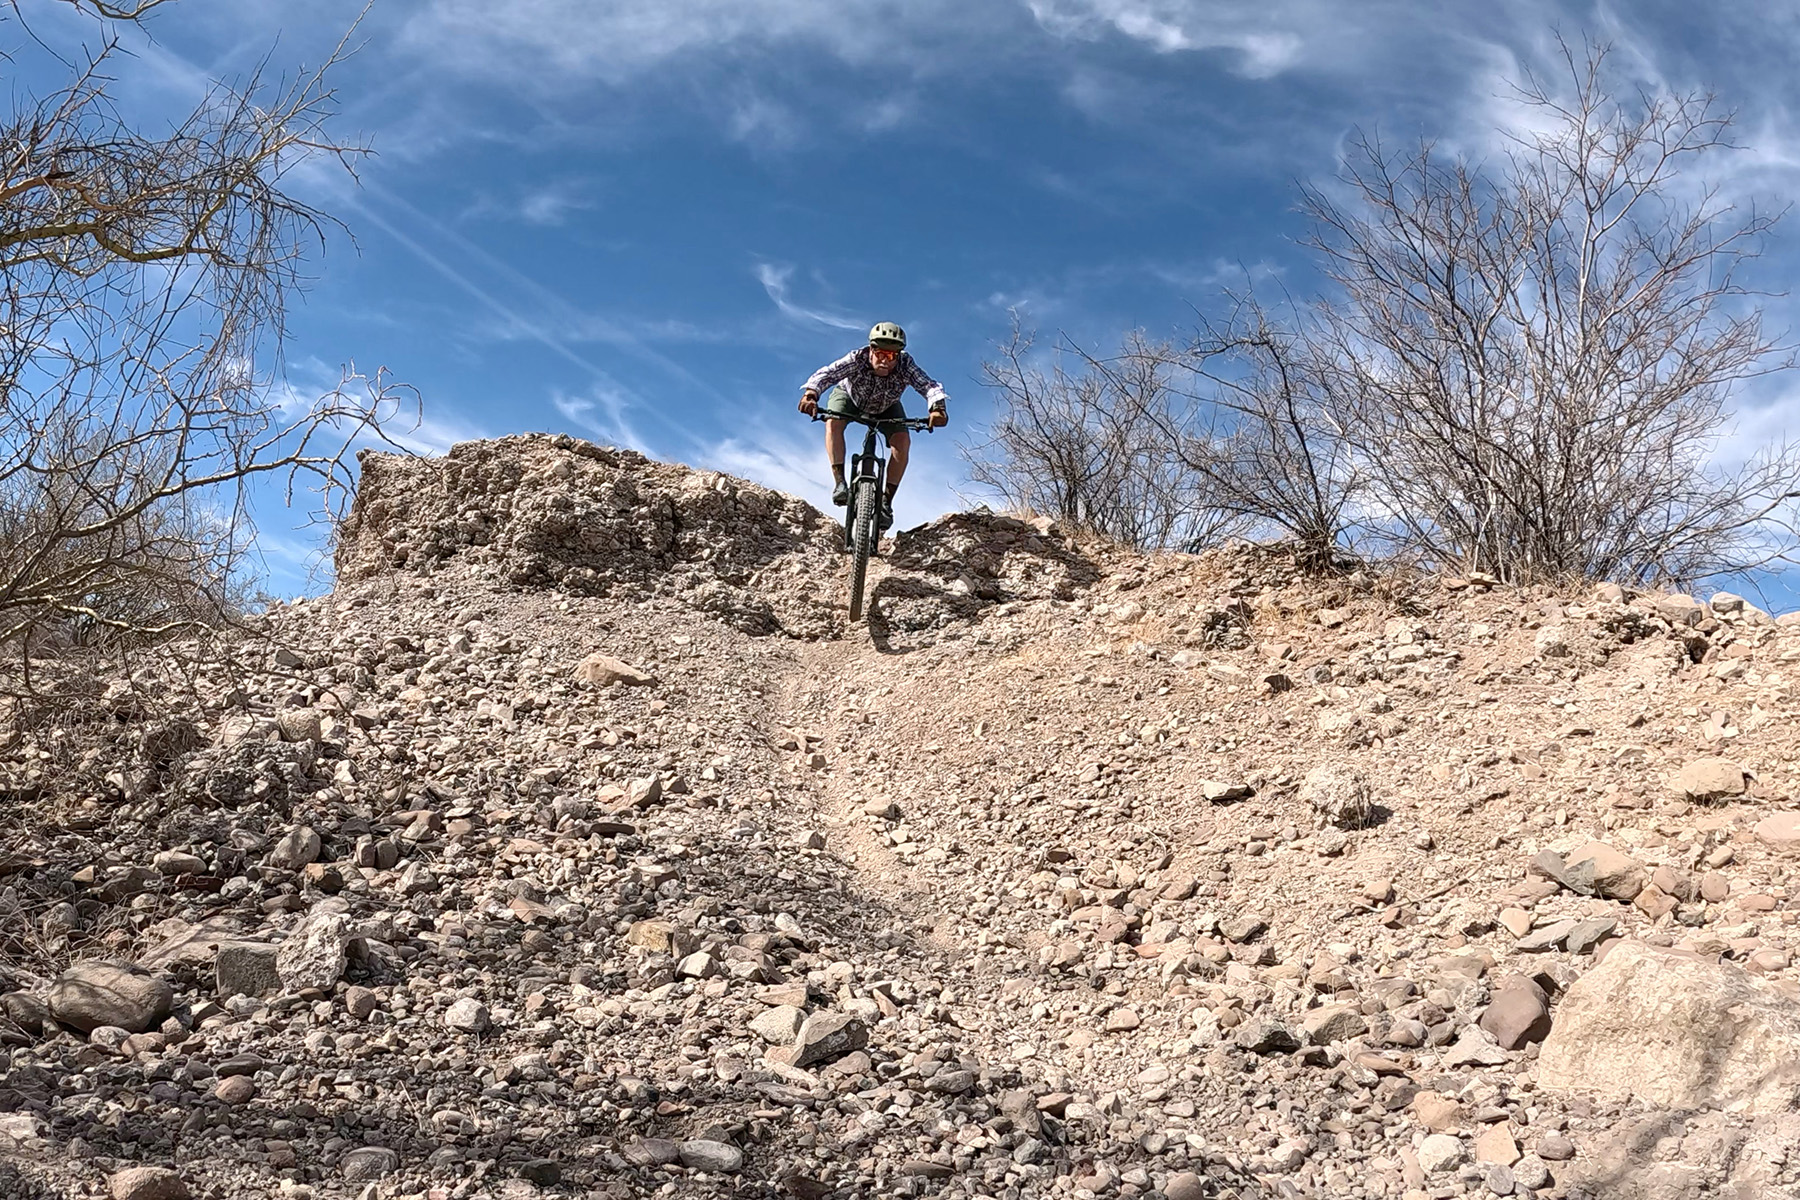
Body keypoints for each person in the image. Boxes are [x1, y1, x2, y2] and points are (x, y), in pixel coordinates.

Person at [797, 321, 949, 529]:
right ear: (871, 350)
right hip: (849, 398)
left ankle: (886, 502)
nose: (886, 361)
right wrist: (811, 394)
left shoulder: (906, 366)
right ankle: (840, 483)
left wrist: (937, 408)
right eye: (881, 354)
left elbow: (927, 385)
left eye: (892, 356)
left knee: (902, 441)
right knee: (833, 422)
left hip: (887, 406)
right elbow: (828, 373)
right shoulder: (856, 359)